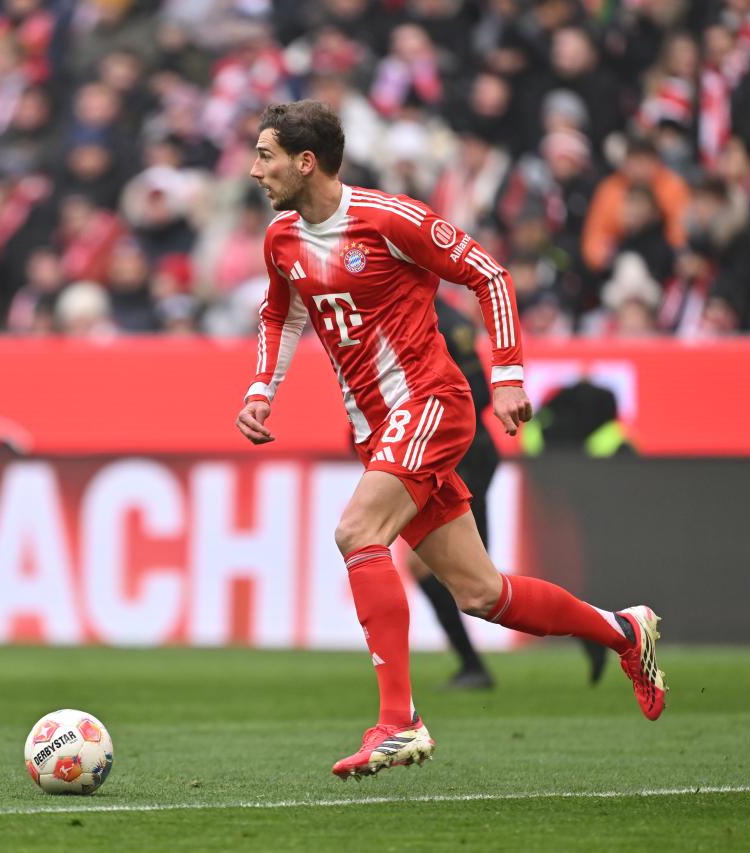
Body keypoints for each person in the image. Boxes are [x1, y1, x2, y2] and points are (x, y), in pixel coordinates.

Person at [236, 101, 665, 780]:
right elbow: (280, 313)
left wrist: (510, 376)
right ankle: (624, 630)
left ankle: (398, 721)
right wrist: (263, 388)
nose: (255, 170)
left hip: (430, 402)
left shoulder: (389, 219)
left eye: (265, 155)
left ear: (305, 162)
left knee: (356, 532)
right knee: (479, 592)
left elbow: (488, 274)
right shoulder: (281, 240)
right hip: (375, 427)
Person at [413, 296, 610, 690]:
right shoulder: (403, 317)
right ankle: (475, 665)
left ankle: (591, 627)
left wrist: (417, 413)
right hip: (432, 456)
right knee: (450, 574)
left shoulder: (446, 322)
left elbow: (478, 394)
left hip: (462, 455)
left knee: (473, 580)